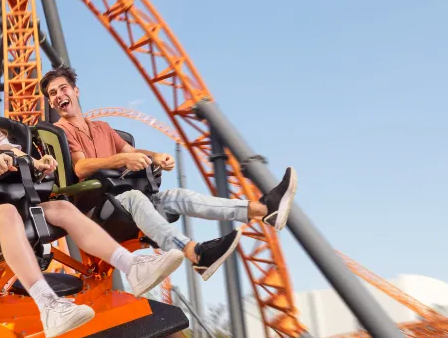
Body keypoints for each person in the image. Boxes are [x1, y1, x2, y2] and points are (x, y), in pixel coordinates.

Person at [0, 61, 185, 338]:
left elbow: (13, 151)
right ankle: (49, 306)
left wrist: (38, 163)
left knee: (62, 207)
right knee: (7, 214)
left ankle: (132, 267)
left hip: (10, 203)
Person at [41, 66, 297, 281]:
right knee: (136, 198)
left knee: (178, 196)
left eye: (63, 88)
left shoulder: (102, 127)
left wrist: (155, 156)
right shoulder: (62, 132)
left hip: (122, 197)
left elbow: (132, 151)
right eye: (53, 94)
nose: (59, 95)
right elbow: (80, 167)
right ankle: (196, 254)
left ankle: (264, 210)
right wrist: (121, 159)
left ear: (76, 91)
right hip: (98, 208)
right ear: (51, 102)